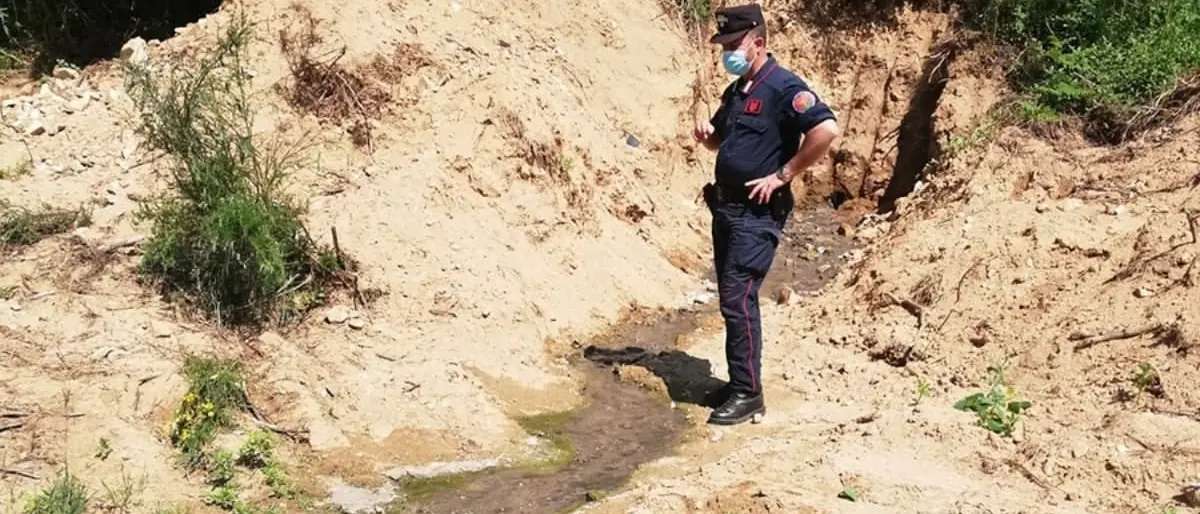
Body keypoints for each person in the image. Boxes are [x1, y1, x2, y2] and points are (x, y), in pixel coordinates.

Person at [692, 3, 840, 426]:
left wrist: (783, 174)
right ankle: (740, 380)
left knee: (738, 299)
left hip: (757, 214)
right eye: (723, 45)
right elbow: (720, 142)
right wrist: (707, 136)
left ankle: (748, 393)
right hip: (726, 208)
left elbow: (825, 129)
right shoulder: (738, 90)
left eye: (733, 44)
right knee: (730, 298)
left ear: (758, 43)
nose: (727, 53)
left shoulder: (783, 86)